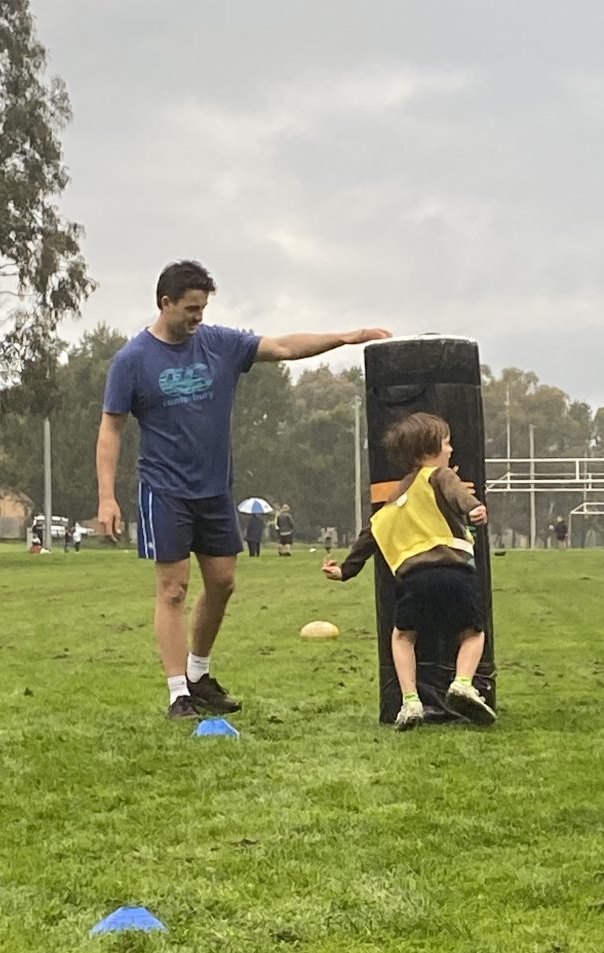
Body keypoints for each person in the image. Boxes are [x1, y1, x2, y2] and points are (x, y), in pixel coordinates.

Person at [96, 259, 390, 720]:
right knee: (172, 590)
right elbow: (110, 429)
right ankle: (178, 694)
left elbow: (283, 346)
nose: (198, 317)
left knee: (224, 583)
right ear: (165, 303)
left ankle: (199, 674)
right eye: (191, 308)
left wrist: (347, 337)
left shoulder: (219, 344)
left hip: (214, 491)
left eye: (204, 308)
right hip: (164, 489)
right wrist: (107, 496)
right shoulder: (133, 361)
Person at [322, 412, 495, 730]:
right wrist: (474, 508)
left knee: (402, 636)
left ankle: (410, 701)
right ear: (431, 449)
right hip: (456, 572)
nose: (451, 449)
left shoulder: (397, 495)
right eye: (446, 443)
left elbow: (373, 531)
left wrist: (346, 570)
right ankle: (463, 683)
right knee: (472, 632)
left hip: (414, 578)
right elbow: (457, 492)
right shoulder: (438, 474)